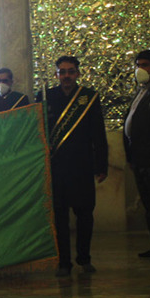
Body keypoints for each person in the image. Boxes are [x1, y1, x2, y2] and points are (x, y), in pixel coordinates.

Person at [37, 55, 108, 277]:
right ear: (56, 74)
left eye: (70, 71)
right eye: (62, 72)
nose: (66, 76)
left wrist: (102, 165)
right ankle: (64, 263)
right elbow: (38, 132)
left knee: (85, 215)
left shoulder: (89, 97)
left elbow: (98, 133)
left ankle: (84, 259)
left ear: (77, 73)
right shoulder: (45, 96)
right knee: (59, 217)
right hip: (56, 168)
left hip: (82, 167)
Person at [123, 50, 150, 262]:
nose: (140, 69)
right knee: (149, 206)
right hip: (140, 157)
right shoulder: (143, 90)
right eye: (138, 65)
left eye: (145, 65)